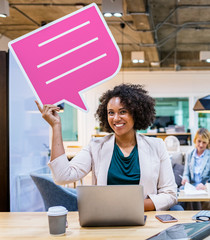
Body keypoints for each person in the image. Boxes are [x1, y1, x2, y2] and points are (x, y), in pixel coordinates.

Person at [35, 83, 177, 211]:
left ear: (136, 113)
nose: (116, 118)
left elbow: (170, 194)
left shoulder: (156, 146)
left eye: (123, 112)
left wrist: (132, 207)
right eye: (111, 112)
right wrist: (56, 126)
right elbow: (62, 176)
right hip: (106, 220)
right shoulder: (96, 147)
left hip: (144, 219)